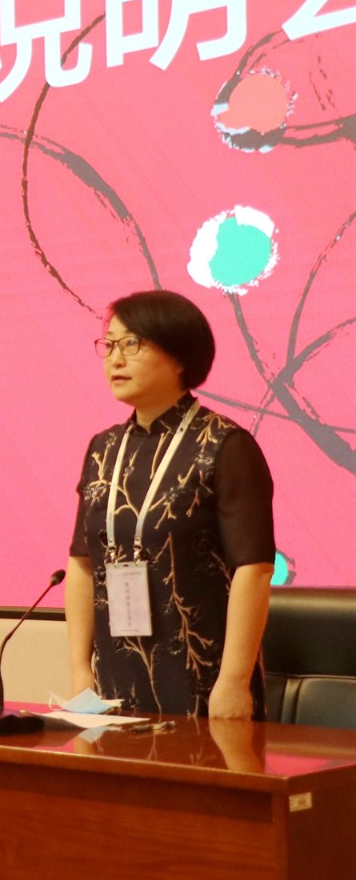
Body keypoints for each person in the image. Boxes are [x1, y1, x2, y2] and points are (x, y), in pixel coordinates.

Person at [65, 289, 275, 720]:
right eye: (110, 345)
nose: (115, 359)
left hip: (202, 675)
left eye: (132, 344)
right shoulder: (103, 449)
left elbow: (253, 569)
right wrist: (80, 670)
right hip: (115, 677)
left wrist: (234, 682)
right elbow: (82, 563)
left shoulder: (224, 445)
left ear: (179, 357)